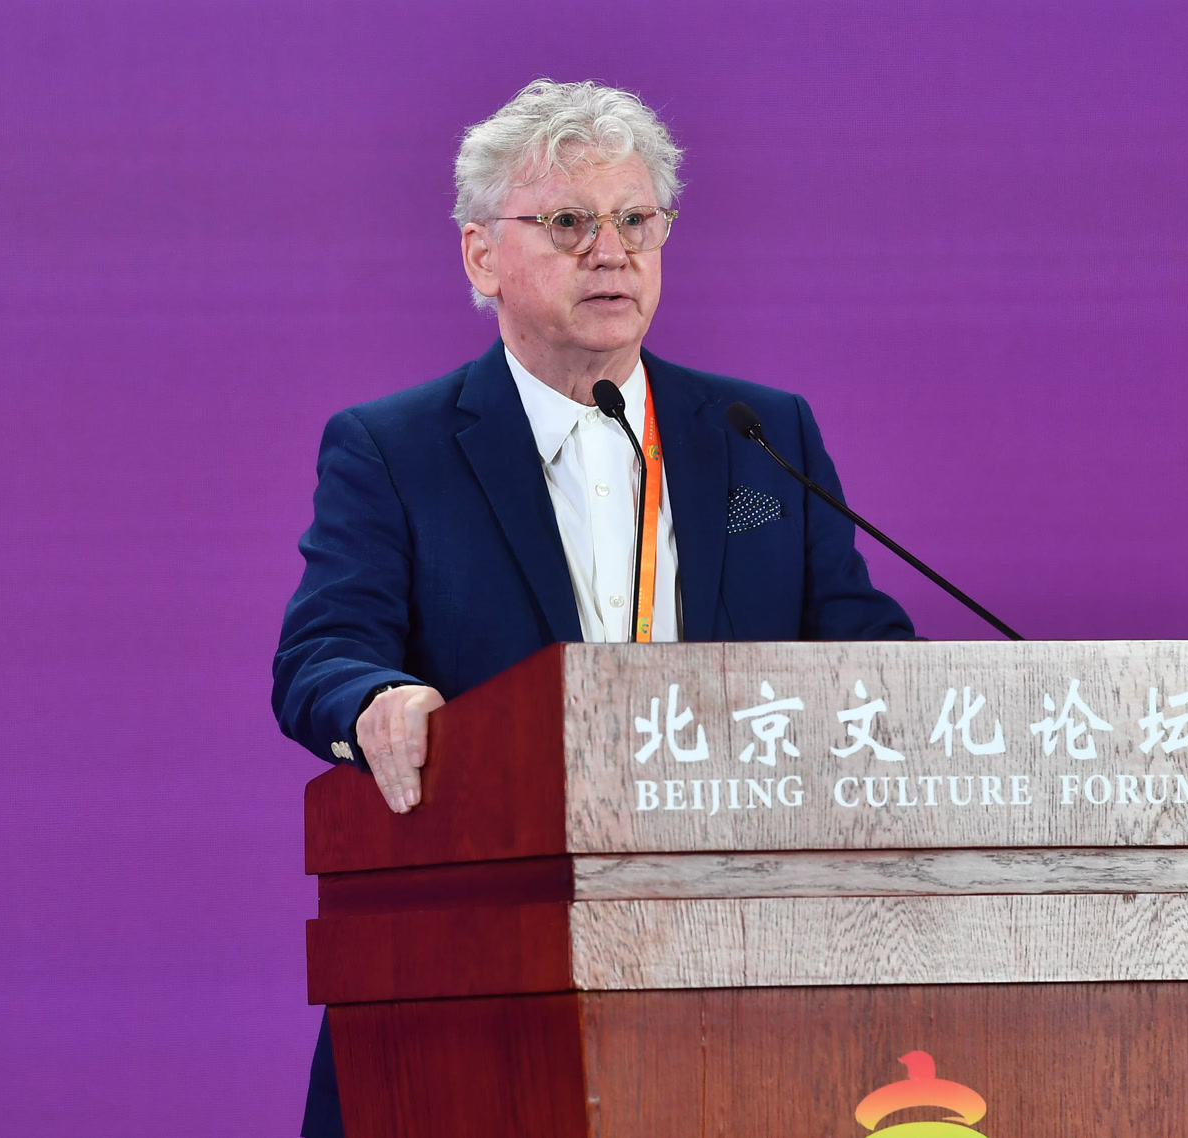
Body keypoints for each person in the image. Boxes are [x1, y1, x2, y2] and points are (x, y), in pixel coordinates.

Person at [271, 78, 913, 1138]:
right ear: (483, 256)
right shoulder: (395, 450)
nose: (610, 252)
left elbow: (866, 650)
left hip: (740, 973)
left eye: (635, 220)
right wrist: (379, 699)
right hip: (485, 972)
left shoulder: (761, 437)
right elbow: (322, 653)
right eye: (569, 222)